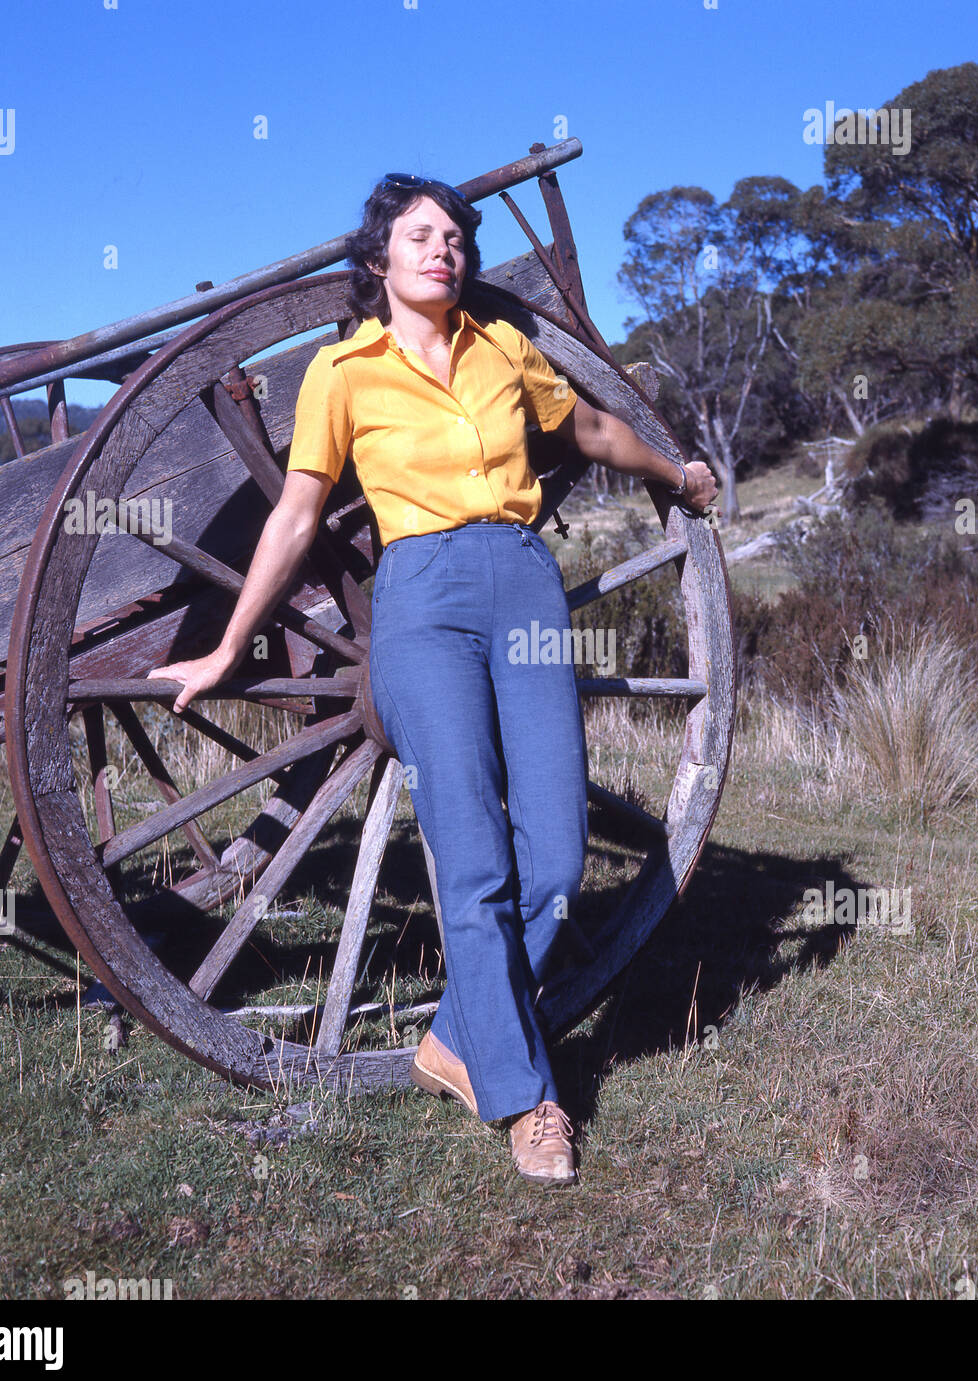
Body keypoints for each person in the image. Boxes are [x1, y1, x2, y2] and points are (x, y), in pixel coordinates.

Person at [149, 172, 719, 1187]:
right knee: (470, 853)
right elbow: (294, 515)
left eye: (454, 235)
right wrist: (232, 646)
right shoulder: (343, 372)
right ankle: (525, 1097)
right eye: (421, 235)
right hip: (421, 598)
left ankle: (455, 1036)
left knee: (550, 852)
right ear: (379, 261)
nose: (444, 248)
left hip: (523, 583)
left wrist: (673, 474)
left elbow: (588, 430)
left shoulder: (503, 348)